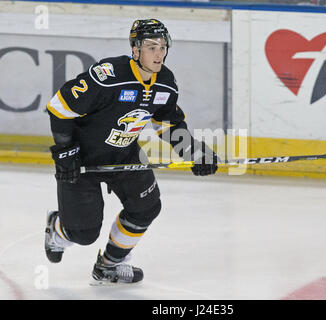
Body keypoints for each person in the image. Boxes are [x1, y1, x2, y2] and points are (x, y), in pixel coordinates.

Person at [45, 19, 218, 284]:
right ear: (135, 49)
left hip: (125, 156)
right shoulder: (108, 76)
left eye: (162, 47)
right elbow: (59, 107)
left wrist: (194, 152)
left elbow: (169, 123)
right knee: (82, 234)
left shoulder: (166, 82)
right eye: (151, 47)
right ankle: (57, 229)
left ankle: (109, 265)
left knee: (146, 208)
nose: (159, 54)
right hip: (83, 161)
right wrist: (65, 152)